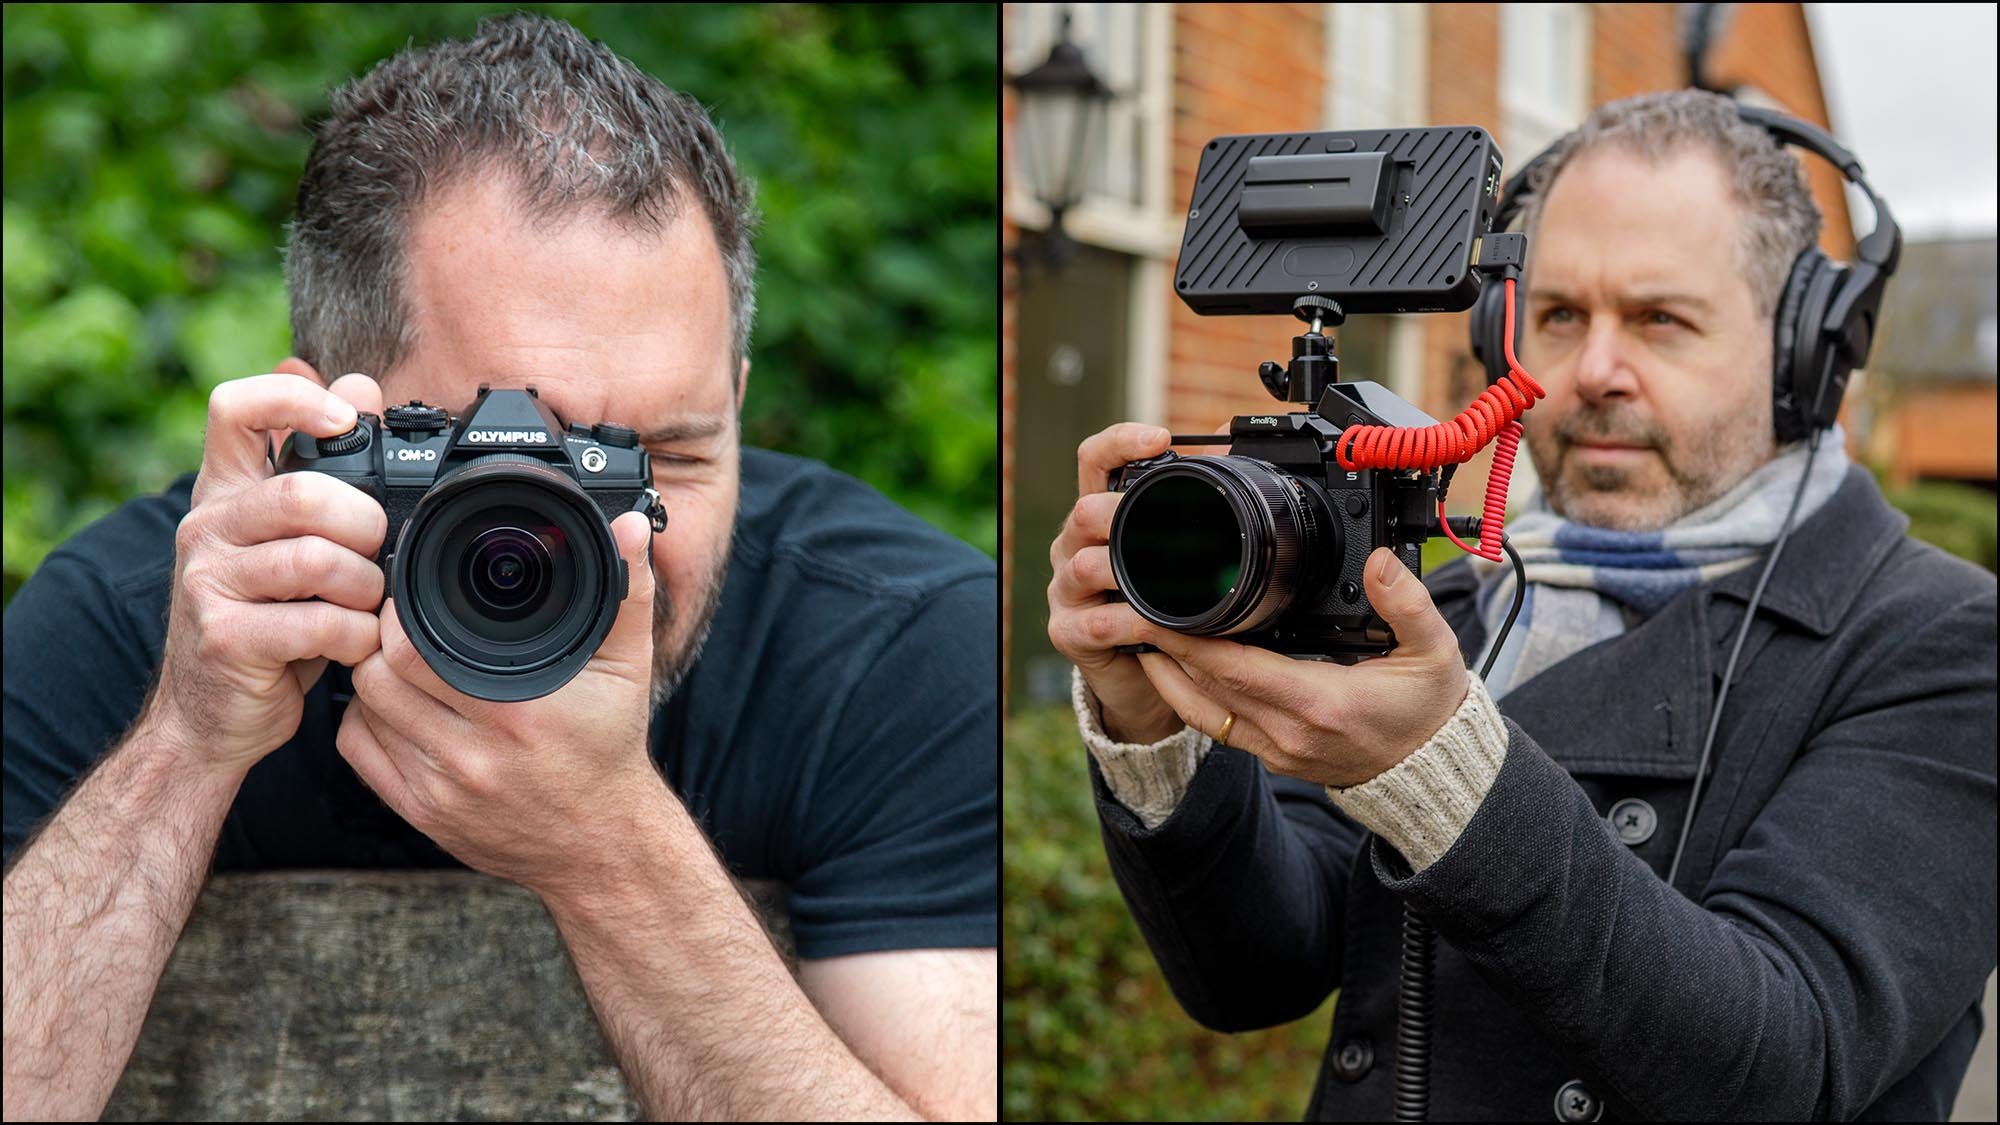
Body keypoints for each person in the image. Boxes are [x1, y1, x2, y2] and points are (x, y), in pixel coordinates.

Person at [2, 13, 995, 1121]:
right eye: (502, 460)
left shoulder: (894, 645)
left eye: (658, 455)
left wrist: (606, 844)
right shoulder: (152, 627)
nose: (606, 535)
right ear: (323, 425)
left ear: (739, 399)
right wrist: (182, 747)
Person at [1047, 89, 1994, 1119]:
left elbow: (1785, 1065)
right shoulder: (1434, 602)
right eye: (1555, 317)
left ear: (1804, 354)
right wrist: (1149, 730)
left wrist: (1442, 773)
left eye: (1658, 320)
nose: (1589, 372)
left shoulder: (1938, 642)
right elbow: (1250, 973)